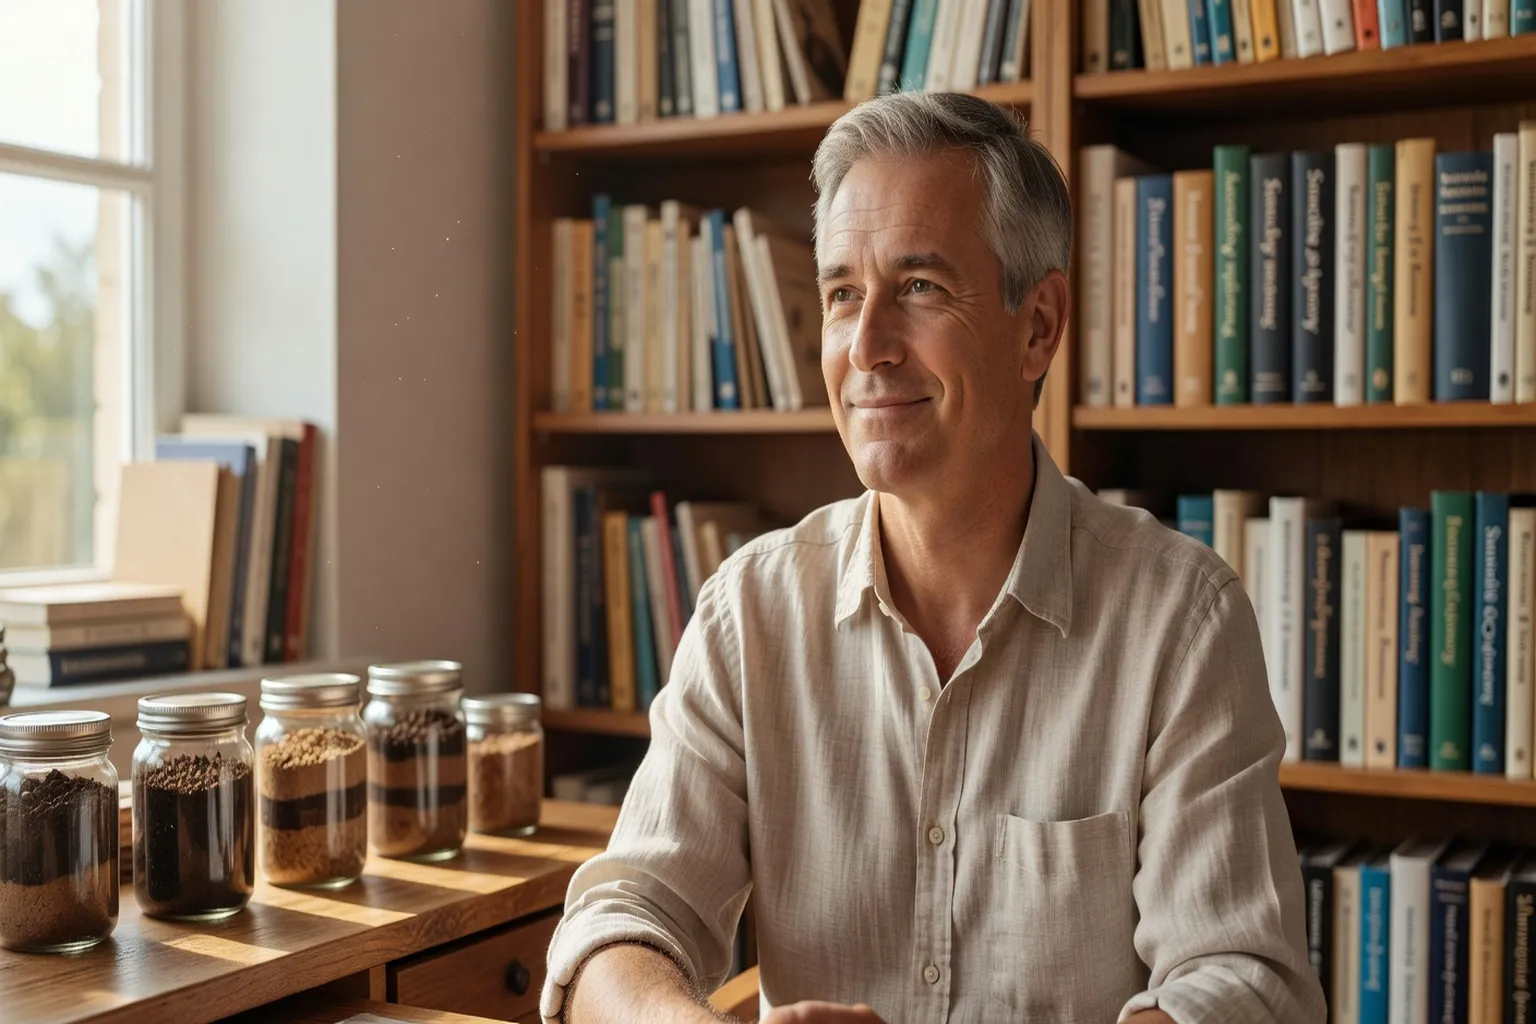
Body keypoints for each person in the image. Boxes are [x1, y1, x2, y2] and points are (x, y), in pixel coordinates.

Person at [538, 92, 1324, 1024]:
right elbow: (616, 924)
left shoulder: (1181, 621)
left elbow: (1244, 985)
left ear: (1038, 326)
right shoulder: (750, 610)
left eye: (918, 288)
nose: (865, 347)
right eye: (841, 295)